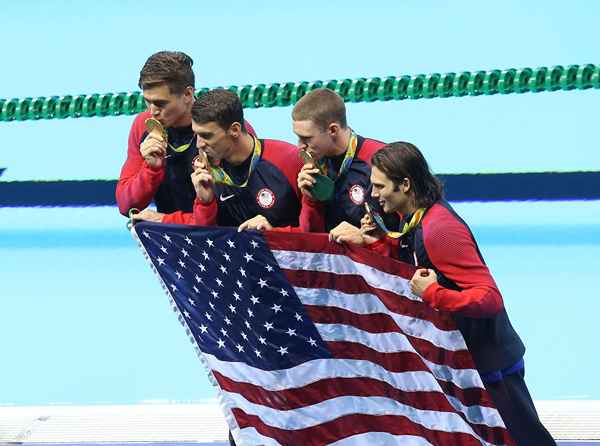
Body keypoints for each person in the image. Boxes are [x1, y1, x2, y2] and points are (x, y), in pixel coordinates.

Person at [330, 142, 556, 445]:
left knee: (524, 440)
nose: (372, 194)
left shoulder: (440, 229)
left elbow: (489, 297)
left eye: (380, 186)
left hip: (491, 363)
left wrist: (435, 293)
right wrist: (374, 242)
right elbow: (414, 258)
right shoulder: (412, 220)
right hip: (465, 358)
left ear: (405, 184)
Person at [116, 51, 254, 225]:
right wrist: (151, 170)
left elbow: (239, 215)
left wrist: (166, 220)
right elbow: (126, 205)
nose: (152, 112)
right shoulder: (143, 125)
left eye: (160, 103)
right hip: (175, 242)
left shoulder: (224, 130)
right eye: (147, 101)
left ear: (188, 95)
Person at [237, 88, 398, 233]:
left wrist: (365, 242)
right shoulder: (313, 166)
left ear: (333, 130)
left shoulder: (379, 163)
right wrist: (311, 200)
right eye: (298, 138)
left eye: (306, 139)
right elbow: (311, 237)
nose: (299, 146)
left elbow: (405, 236)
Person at [189, 88, 316, 231]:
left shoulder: (289, 160)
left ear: (235, 130)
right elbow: (203, 241)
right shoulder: (208, 172)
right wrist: (205, 203)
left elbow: (316, 234)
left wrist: (273, 235)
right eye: (196, 135)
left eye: (206, 136)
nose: (199, 144)